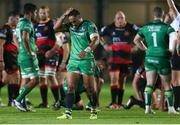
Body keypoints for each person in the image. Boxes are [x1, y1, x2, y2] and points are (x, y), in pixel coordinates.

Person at [54, 8, 99, 119]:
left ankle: (93, 111)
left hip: (86, 60)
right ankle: (68, 113)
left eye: (74, 21)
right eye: (71, 21)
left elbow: (96, 40)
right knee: (70, 87)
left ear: (80, 17)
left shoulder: (89, 25)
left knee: (90, 88)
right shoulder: (70, 26)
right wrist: (64, 14)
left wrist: (86, 50)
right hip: (73, 60)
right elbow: (55, 28)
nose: (73, 24)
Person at [134, 7, 178, 114]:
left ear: (153, 15)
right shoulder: (166, 27)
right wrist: (172, 50)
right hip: (163, 57)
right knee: (167, 84)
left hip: (150, 57)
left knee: (149, 84)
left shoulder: (146, 27)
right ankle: (171, 109)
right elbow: (175, 37)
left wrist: (145, 49)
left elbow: (136, 40)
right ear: (162, 15)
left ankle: (147, 108)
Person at [100, 10, 138, 109]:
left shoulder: (131, 27)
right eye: (118, 18)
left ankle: (120, 103)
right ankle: (113, 103)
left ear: (125, 19)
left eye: (122, 18)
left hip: (126, 60)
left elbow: (142, 34)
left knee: (122, 81)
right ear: (115, 19)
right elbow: (97, 35)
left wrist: (137, 46)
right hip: (114, 59)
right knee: (113, 79)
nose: (120, 20)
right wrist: (104, 45)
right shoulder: (109, 28)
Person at [13, 3, 39, 112]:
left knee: (25, 79)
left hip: (22, 55)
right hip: (27, 56)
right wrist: (29, 52)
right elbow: (25, 38)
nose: (36, 14)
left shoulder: (19, 23)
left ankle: (22, 104)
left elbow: (14, 37)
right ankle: (18, 100)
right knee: (35, 80)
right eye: (36, 12)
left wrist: (20, 49)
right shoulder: (27, 23)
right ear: (31, 13)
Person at [34, 6, 61, 110]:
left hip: (51, 54)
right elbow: (34, 39)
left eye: (44, 13)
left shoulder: (53, 24)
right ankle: (44, 103)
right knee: (42, 78)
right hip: (40, 55)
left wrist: (52, 51)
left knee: (50, 76)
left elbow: (59, 40)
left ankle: (57, 101)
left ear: (48, 13)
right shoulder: (36, 25)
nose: (42, 15)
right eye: (41, 13)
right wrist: (35, 48)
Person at [2, 11, 20, 106]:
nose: (18, 21)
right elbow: (1, 45)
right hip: (8, 56)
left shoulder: (12, 29)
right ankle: (16, 101)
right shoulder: (5, 29)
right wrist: (1, 60)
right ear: (12, 19)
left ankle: (12, 101)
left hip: (12, 56)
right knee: (14, 77)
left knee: (10, 79)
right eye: (17, 19)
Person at [166, 0, 180, 111]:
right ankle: (176, 104)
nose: (169, 12)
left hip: (177, 52)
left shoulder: (178, 18)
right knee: (174, 80)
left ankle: (177, 104)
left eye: (170, 11)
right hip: (174, 52)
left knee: (175, 80)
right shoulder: (172, 24)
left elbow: (171, 4)